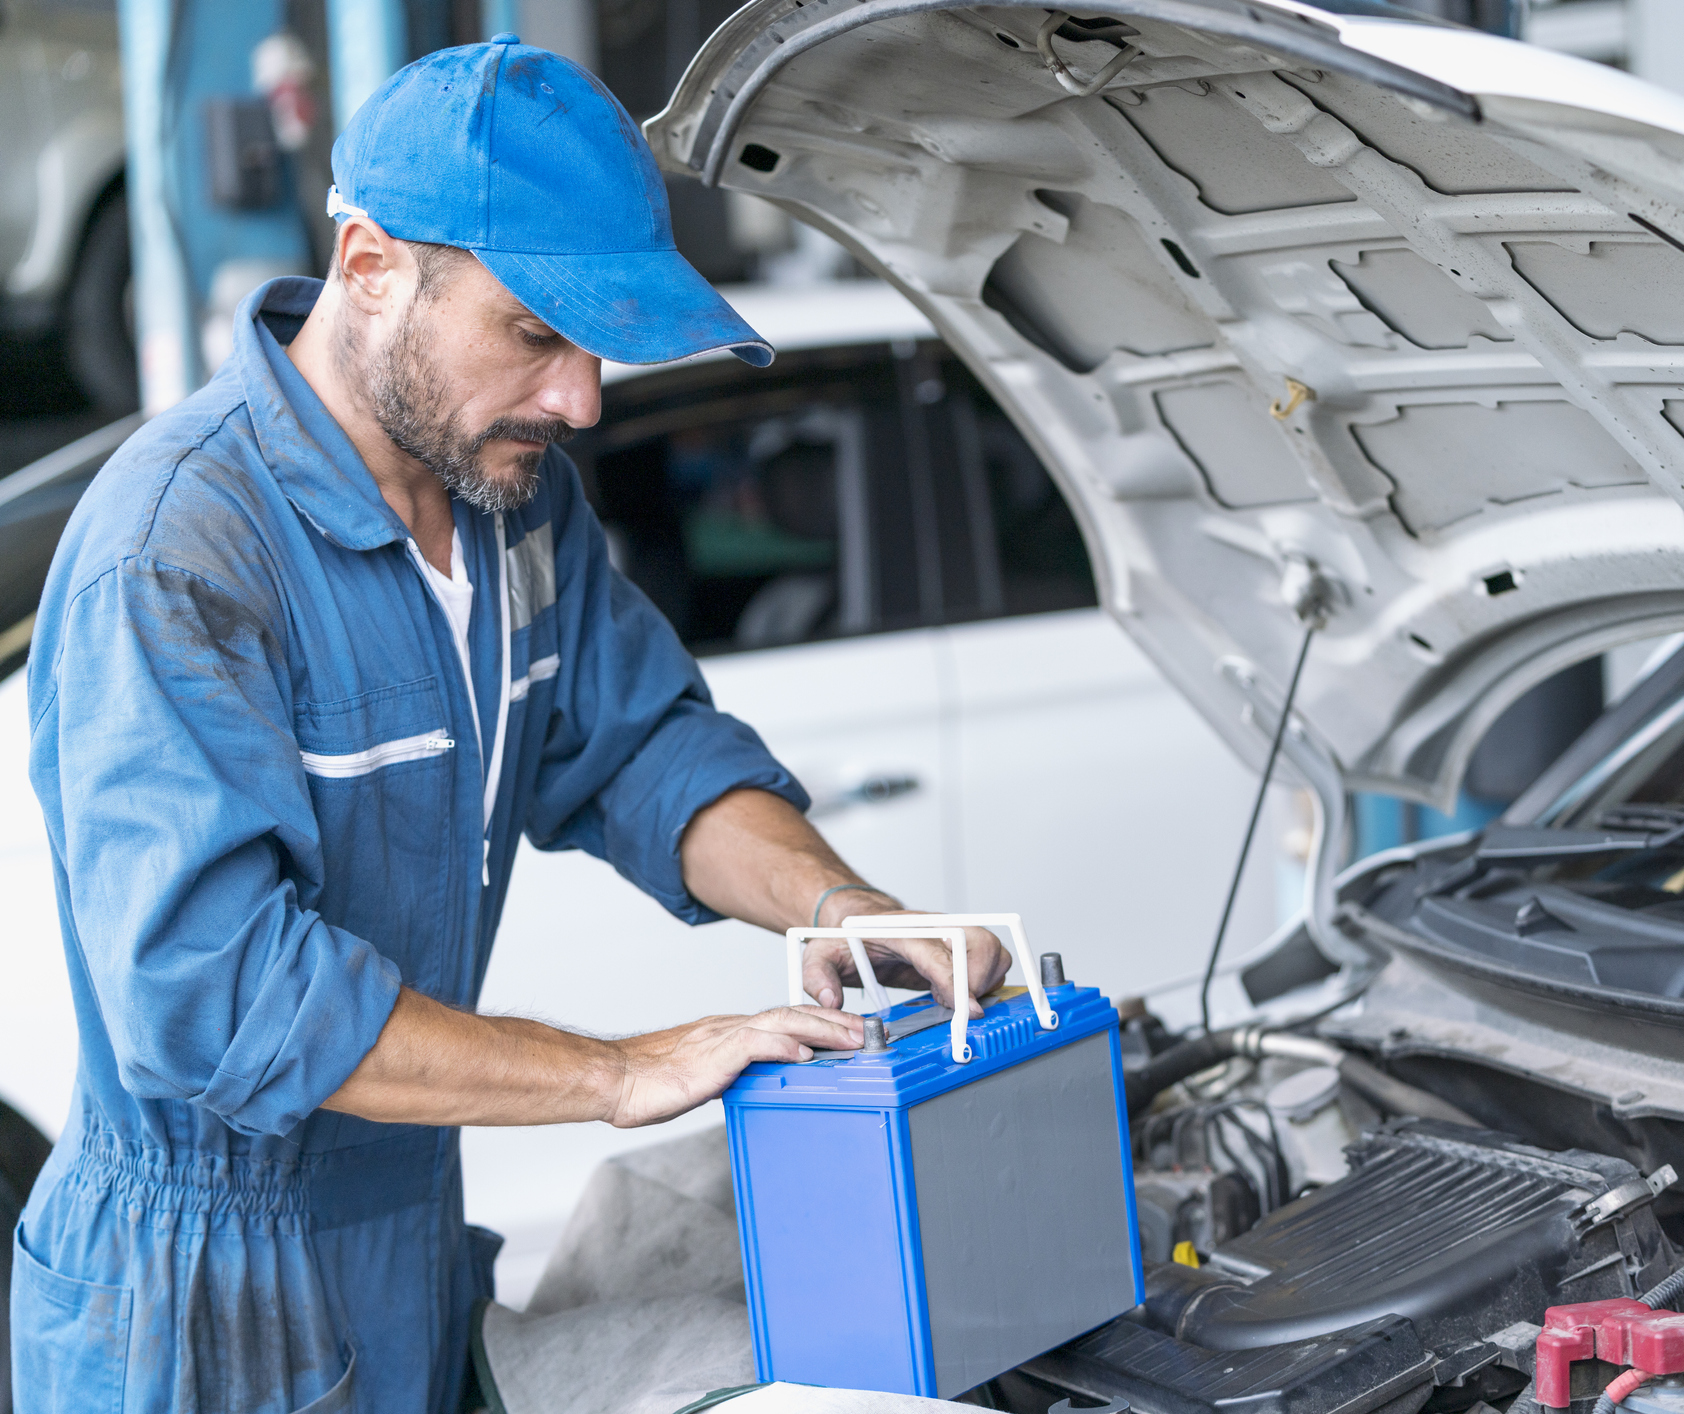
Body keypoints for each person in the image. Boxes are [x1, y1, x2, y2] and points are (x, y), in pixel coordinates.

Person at [11, 35, 1006, 1414]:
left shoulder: (514, 506)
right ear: (369, 268)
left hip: (409, 1235)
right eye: (535, 334)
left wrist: (838, 905)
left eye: (590, 345)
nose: (581, 400)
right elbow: (222, 997)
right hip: (196, 1300)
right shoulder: (183, 554)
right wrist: (619, 1071)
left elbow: (647, 749)